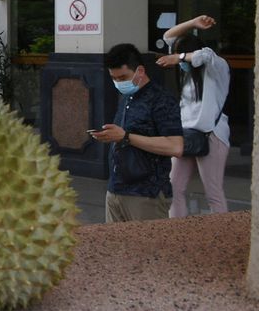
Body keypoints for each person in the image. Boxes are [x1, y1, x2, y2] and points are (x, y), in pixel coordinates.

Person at [90, 43, 183, 223]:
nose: (118, 82)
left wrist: (125, 137)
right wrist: (112, 136)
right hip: (115, 189)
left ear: (140, 71)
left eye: (123, 77)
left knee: (148, 250)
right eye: (114, 78)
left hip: (146, 194)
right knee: (115, 249)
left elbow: (176, 146)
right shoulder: (127, 97)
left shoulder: (161, 99)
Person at [157, 15, 231, 218]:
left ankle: (222, 235)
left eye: (183, 55)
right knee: (174, 187)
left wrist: (179, 58)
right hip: (186, 135)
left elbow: (205, 55)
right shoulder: (188, 73)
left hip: (212, 136)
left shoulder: (216, 67)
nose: (181, 61)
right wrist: (193, 23)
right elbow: (168, 36)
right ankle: (178, 233)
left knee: (213, 192)